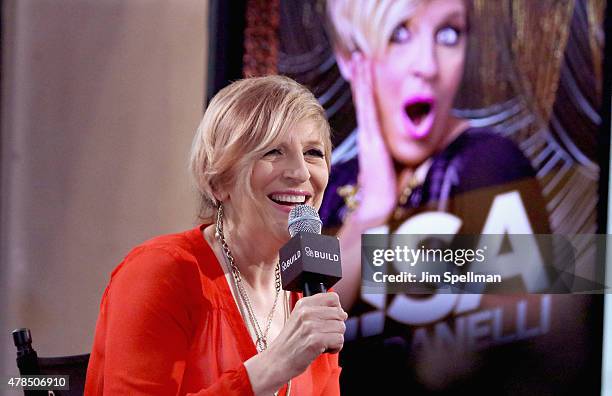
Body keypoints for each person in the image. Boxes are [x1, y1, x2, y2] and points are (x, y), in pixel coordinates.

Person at [84, 75, 346, 395]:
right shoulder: (161, 272)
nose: (301, 173)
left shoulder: (311, 291)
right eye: (273, 151)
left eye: (313, 153)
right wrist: (272, 366)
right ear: (218, 182)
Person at [321, 0, 549, 310]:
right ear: (349, 57)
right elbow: (281, 348)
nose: (428, 66)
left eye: (449, 35)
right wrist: (370, 214)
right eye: (399, 34)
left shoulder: (488, 166)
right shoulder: (326, 189)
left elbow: (523, 342)